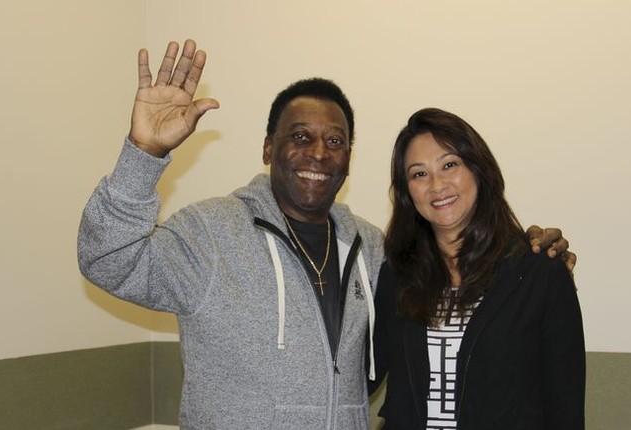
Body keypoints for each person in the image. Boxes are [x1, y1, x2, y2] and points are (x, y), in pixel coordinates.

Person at [77, 39, 573, 430]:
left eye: (334, 141)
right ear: (269, 148)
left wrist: (527, 249)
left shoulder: (377, 248)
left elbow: (459, 255)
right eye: (299, 137)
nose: (318, 153)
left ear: (349, 158)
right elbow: (108, 260)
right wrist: (143, 155)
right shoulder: (210, 233)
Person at [369, 108, 586, 430]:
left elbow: (565, 409)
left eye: (450, 164)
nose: (436, 184)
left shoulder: (540, 274)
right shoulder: (397, 276)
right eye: (419, 174)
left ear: (478, 169)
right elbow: (361, 378)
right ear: (406, 192)